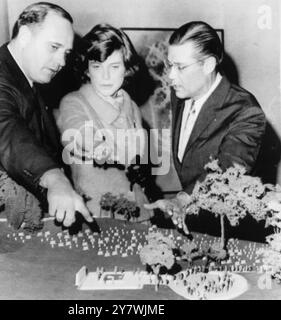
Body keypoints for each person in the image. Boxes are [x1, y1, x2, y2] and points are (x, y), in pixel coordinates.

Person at [0, 2, 93, 230]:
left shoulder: (22, 74)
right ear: (25, 36)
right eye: (54, 47)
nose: (62, 62)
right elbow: (9, 133)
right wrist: (54, 179)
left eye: (66, 53)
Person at [146, 21, 267, 240]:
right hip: (192, 227)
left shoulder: (246, 112)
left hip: (230, 234)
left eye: (181, 67)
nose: (171, 76)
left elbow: (226, 172)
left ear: (209, 65)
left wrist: (182, 199)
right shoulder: (181, 93)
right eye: (169, 65)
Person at [56, 24, 151, 220]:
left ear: (126, 69)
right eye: (97, 67)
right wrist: (100, 146)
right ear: (87, 70)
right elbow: (77, 134)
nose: (105, 76)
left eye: (114, 67)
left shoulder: (131, 105)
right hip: (98, 214)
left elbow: (140, 159)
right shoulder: (74, 102)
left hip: (139, 210)